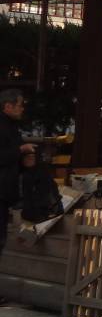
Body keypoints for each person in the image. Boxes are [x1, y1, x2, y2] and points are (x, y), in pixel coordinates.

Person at [0, 89, 34, 259]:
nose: (22, 109)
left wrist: (25, 163)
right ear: (8, 106)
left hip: (5, 192)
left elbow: (12, 159)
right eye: (19, 106)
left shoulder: (13, 127)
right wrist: (20, 149)